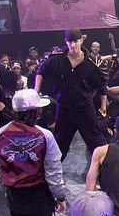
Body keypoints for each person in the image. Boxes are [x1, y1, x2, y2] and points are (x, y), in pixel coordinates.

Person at [35, 29, 107, 160]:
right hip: (64, 108)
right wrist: (36, 89)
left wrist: (103, 106)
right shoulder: (57, 59)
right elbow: (41, 71)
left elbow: (101, 86)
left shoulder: (92, 62)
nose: (73, 45)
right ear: (66, 42)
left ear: (81, 41)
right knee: (59, 145)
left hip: (85, 108)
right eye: (70, 42)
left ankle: (106, 168)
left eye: (76, 41)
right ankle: (50, 171)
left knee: (97, 142)